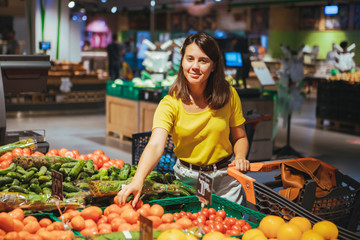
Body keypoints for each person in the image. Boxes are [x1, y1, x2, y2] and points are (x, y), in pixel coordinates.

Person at [117, 32, 250, 207]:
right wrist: (137, 180)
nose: (195, 66)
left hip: (226, 179)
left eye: (203, 61)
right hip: (187, 182)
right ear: (182, 62)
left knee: (229, 231)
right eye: (190, 59)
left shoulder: (228, 94)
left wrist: (240, 157)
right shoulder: (170, 103)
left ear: (214, 66)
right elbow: (156, 145)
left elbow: (240, 136)